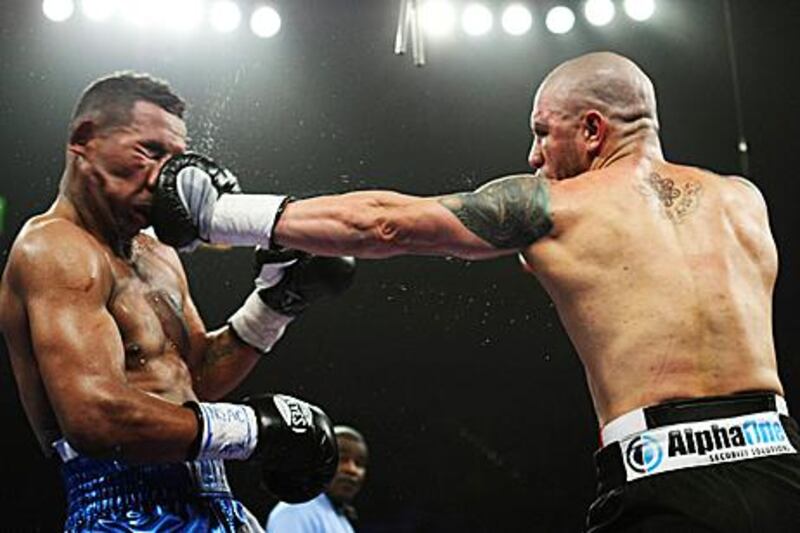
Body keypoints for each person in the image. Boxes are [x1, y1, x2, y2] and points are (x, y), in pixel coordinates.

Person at [152, 51, 800, 531]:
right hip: (781, 467)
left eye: (544, 130)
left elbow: (384, 223)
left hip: (667, 482)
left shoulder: (559, 206)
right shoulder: (743, 201)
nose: (533, 154)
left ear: (594, 130)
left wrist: (217, 214)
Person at [0, 72, 357, 532]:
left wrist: (275, 304)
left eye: (175, 160)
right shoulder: (54, 248)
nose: (164, 178)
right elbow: (93, 418)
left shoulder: (156, 252)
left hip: (213, 496)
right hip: (123, 507)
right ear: (85, 140)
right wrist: (254, 429)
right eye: (149, 152)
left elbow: (198, 379)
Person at [266, 425, 368, 532]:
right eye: (342, 459)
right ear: (319, 461)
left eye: (359, 463)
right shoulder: (296, 510)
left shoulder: (343, 522)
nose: (352, 470)